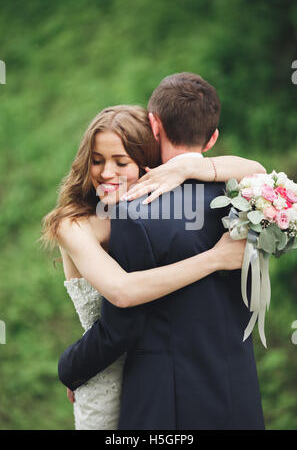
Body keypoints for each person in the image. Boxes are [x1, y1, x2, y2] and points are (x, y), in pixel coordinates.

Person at [50, 75, 265, 429]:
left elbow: (258, 172)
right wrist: (72, 367)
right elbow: (122, 292)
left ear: (143, 160)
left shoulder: (139, 216)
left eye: (121, 162)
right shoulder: (74, 224)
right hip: (104, 372)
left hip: (149, 379)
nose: (107, 173)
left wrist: (190, 165)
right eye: (97, 160)